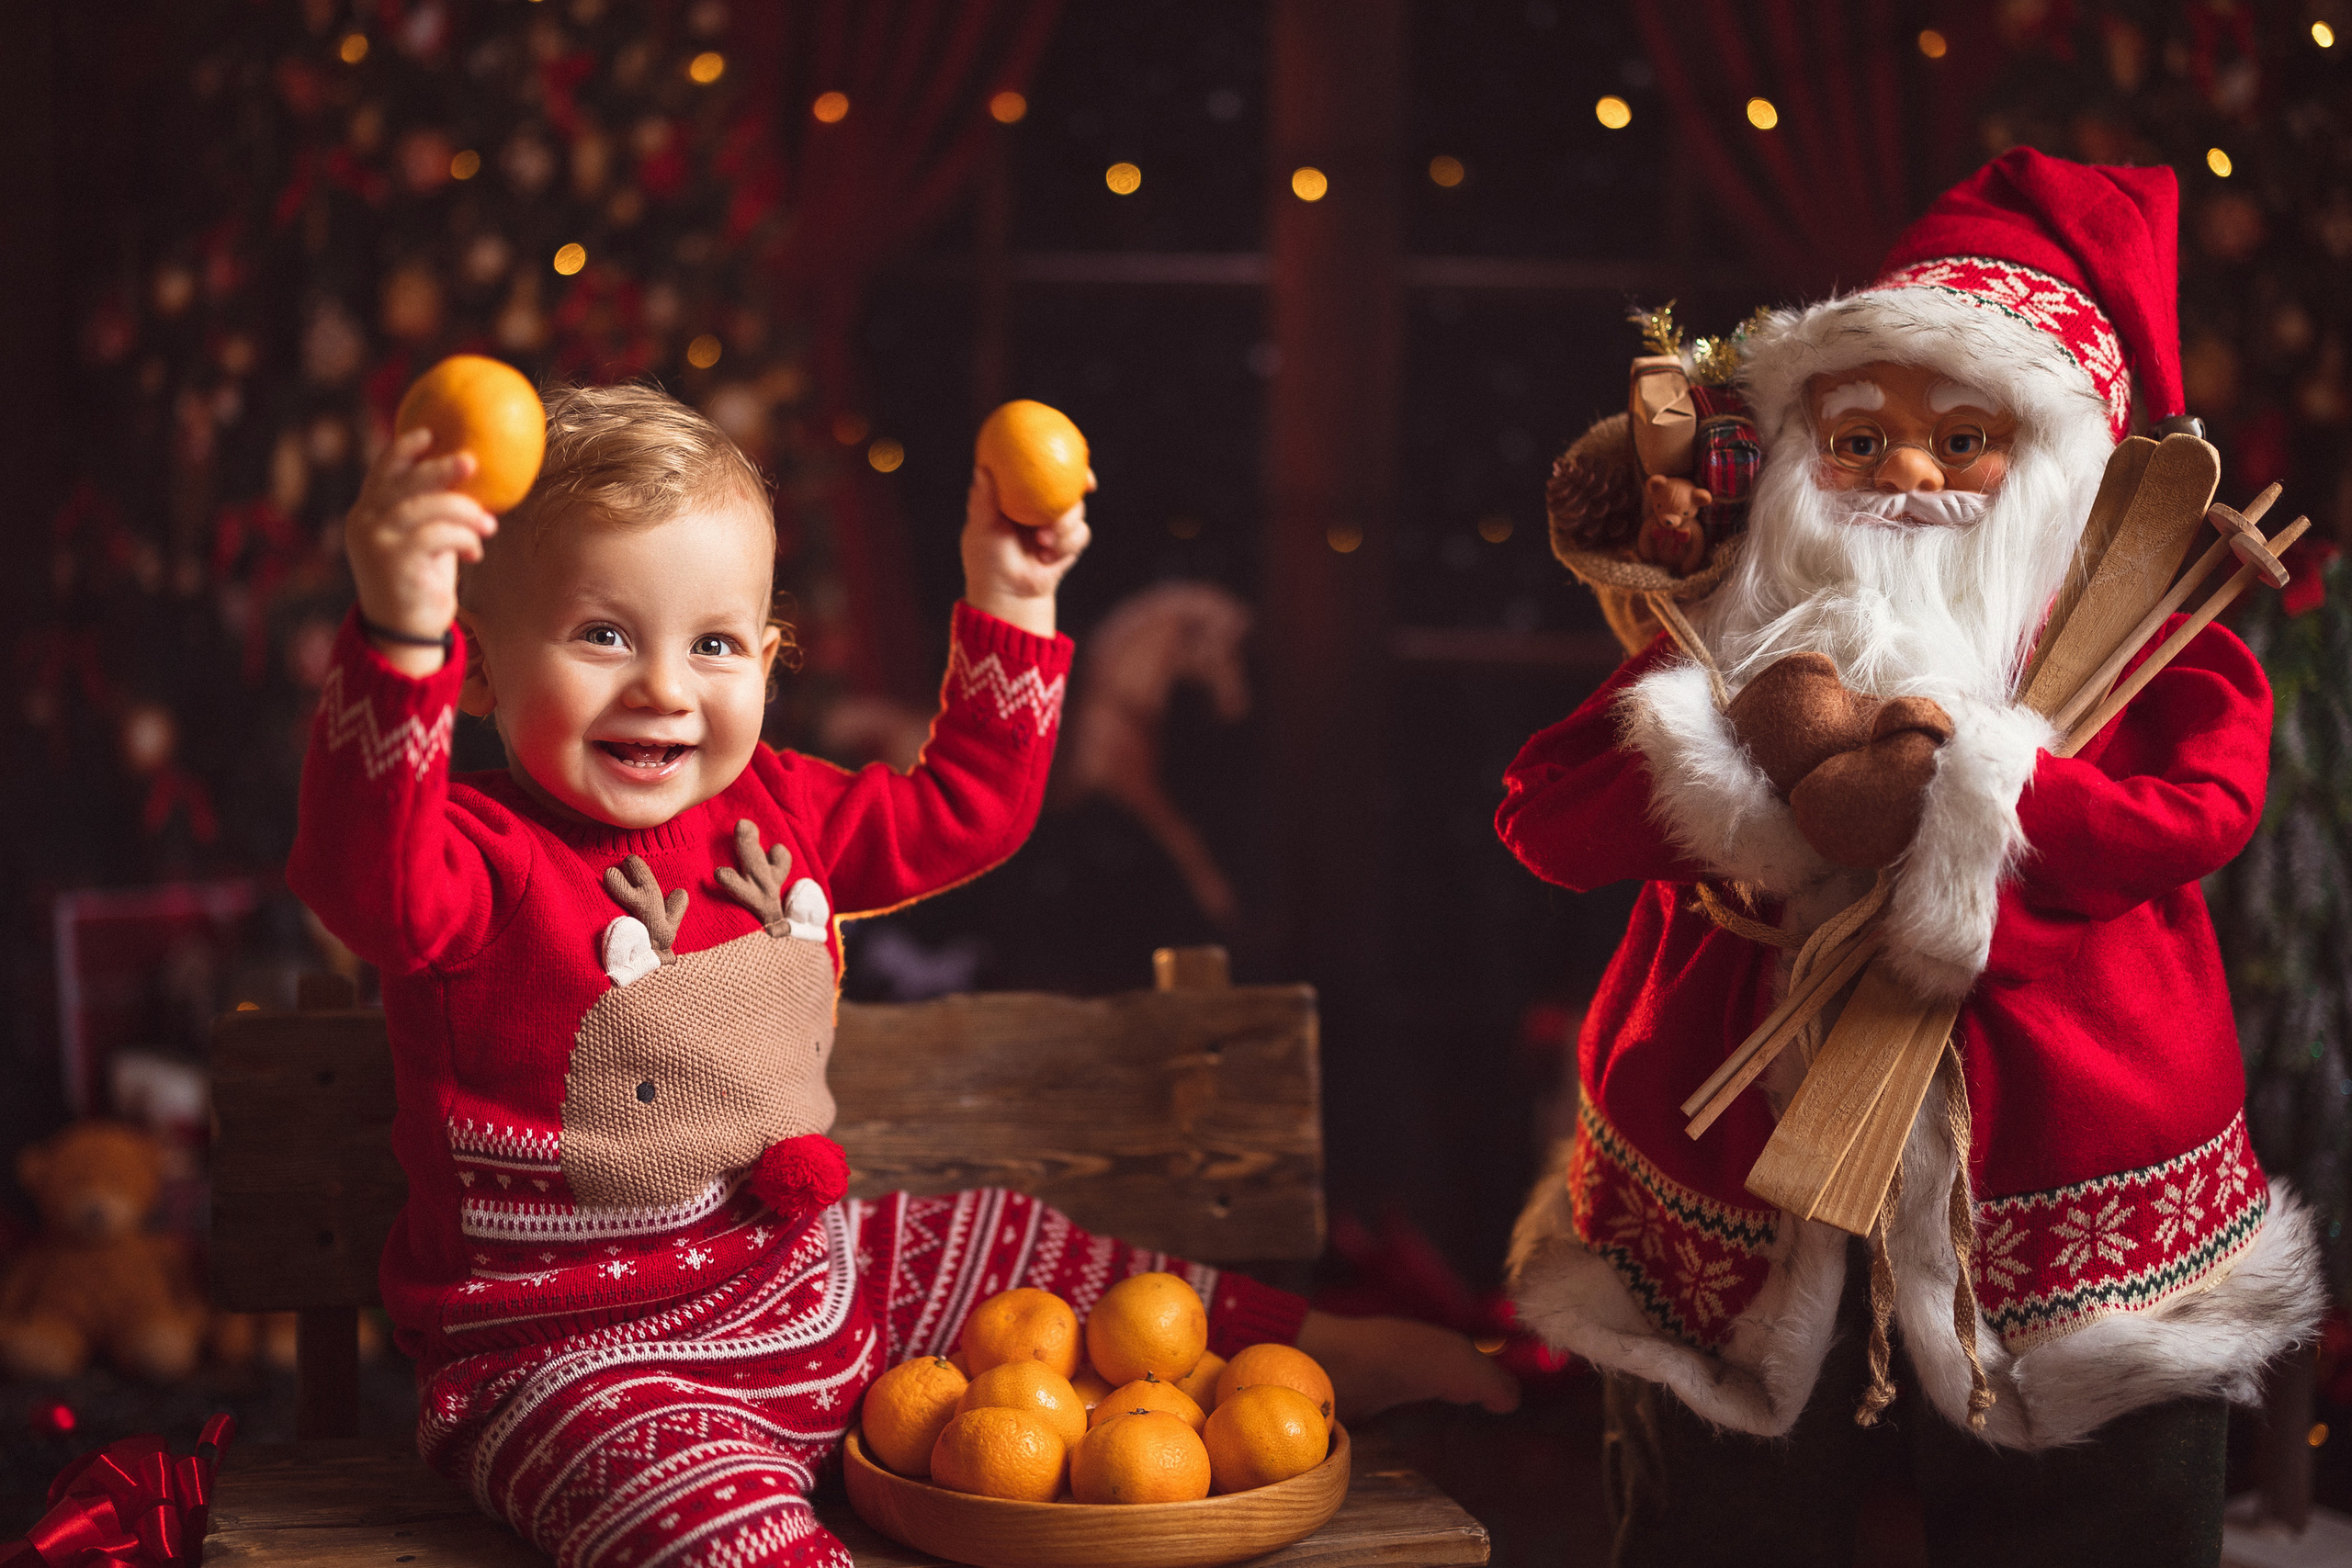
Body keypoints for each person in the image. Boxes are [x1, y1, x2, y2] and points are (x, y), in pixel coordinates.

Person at [290, 382, 1515, 1568]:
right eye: (602, 634)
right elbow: (361, 875)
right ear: (478, 668)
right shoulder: (473, 861)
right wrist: (397, 634)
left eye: (714, 643)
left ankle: (1299, 1356)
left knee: (1008, 1237)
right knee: (716, 1531)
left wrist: (1011, 594)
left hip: (809, 1288)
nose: (664, 686)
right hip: (574, 1372)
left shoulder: (777, 807)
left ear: (769, 661)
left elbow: (965, 809)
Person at [1499, 150, 2321, 1565]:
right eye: (1861, 439)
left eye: (1966, 437)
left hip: (2067, 1160)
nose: (1911, 476)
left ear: (2054, 465)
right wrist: (1737, 763)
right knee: (1717, 1525)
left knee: (2093, 1522)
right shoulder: (1736, 625)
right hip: (1730, 1176)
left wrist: (1966, 786)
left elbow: (2196, 809)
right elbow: (1546, 815)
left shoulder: (2147, 650)